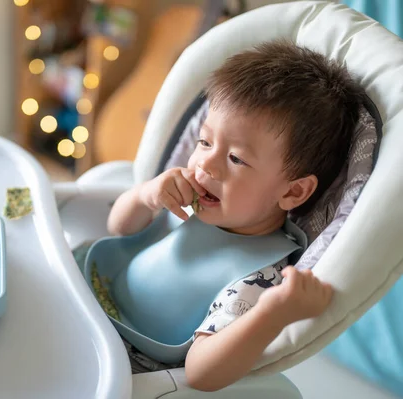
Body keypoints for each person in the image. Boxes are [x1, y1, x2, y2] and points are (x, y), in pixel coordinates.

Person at [106, 40, 364, 391]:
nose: (205, 165)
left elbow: (200, 373)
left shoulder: (261, 276)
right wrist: (145, 196)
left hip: (120, 363)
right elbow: (118, 230)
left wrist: (272, 313)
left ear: (292, 192)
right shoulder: (184, 196)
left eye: (237, 159)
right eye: (205, 142)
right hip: (89, 294)